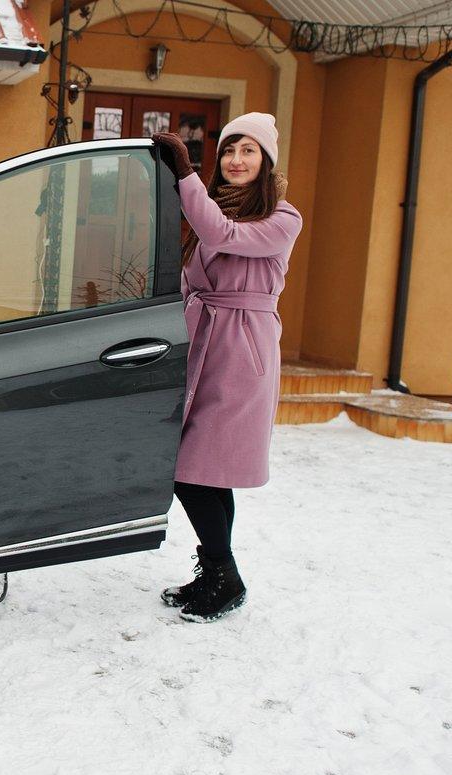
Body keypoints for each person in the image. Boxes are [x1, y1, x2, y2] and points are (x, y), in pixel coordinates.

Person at [151, 113, 303, 623]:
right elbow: (191, 271)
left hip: (242, 350)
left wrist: (185, 172)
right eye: (230, 151)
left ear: (266, 162)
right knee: (210, 474)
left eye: (248, 151)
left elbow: (220, 235)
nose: (236, 161)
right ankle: (216, 574)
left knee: (192, 469)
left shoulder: (283, 218)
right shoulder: (208, 209)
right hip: (202, 341)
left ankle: (224, 574)